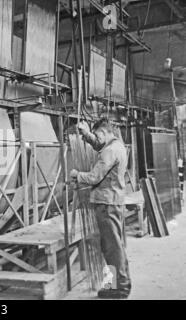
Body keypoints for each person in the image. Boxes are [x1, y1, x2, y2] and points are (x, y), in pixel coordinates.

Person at [70, 118, 131, 299]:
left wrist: (77, 175)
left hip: (106, 205)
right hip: (113, 202)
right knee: (114, 246)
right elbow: (99, 145)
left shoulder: (110, 151)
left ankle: (119, 289)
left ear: (104, 133)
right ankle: (120, 283)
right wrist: (87, 134)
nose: (96, 139)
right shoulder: (116, 146)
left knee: (111, 248)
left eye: (97, 135)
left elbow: (94, 177)